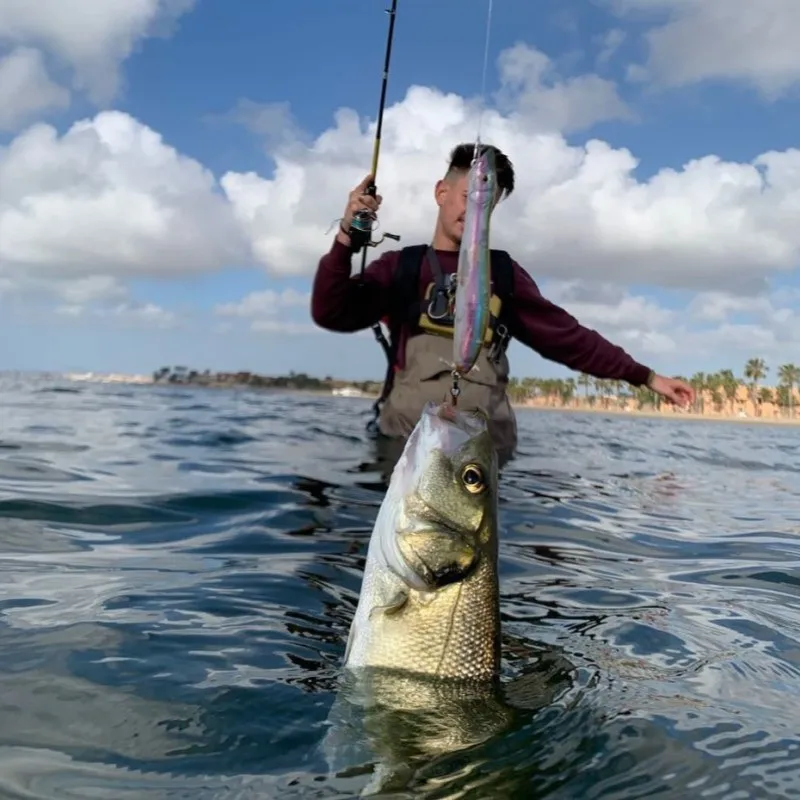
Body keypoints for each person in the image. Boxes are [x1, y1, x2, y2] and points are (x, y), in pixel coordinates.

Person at [311, 142, 695, 464]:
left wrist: (646, 377)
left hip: (484, 460)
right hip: (406, 451)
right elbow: (330, 312)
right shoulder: (402, 267)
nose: (474, 210)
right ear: (441, 192)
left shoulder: (504, 273)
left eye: (487, 204)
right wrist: (347, 236)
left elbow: (569, 339)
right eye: (468, 197)